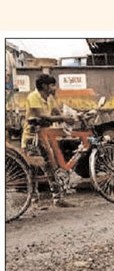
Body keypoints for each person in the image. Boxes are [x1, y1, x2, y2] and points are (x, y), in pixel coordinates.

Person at [22, 74, 77, 207]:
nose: (55, 88)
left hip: (43, 136)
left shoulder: (50, 98)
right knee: (33, 168)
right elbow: (41, 115)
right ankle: (33, 200)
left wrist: (73, 115)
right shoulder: (33, 97)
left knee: (50, 165)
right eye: (52, 85)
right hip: (32, 138)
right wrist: (62, 118)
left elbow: (57, 113)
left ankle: (58, 199)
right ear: (44, 86)